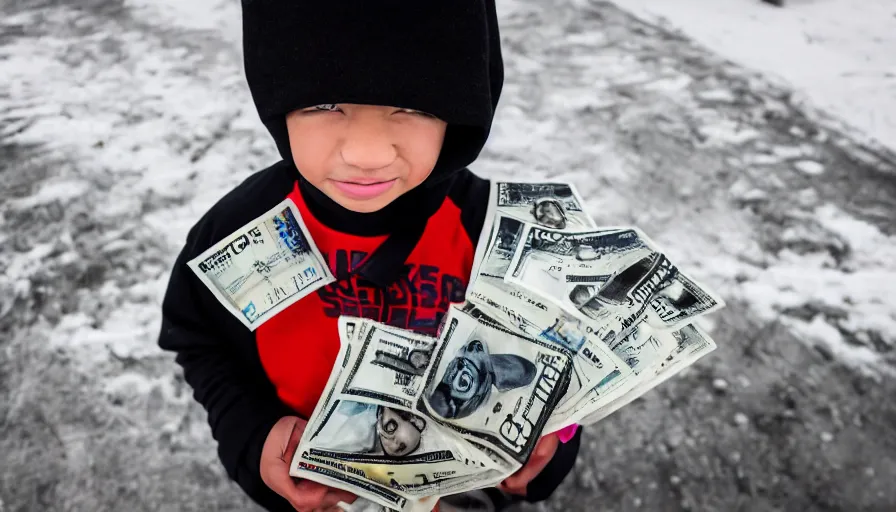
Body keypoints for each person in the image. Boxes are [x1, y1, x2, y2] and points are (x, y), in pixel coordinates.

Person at [157, 2, 582, 511]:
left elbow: (565, 358)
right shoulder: (233, 234)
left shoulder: (500, 234)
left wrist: (552, 442)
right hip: (318, 494)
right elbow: (200, 340)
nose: (367, 152)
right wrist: (253, 438)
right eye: (325, 101)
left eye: (415, 105)